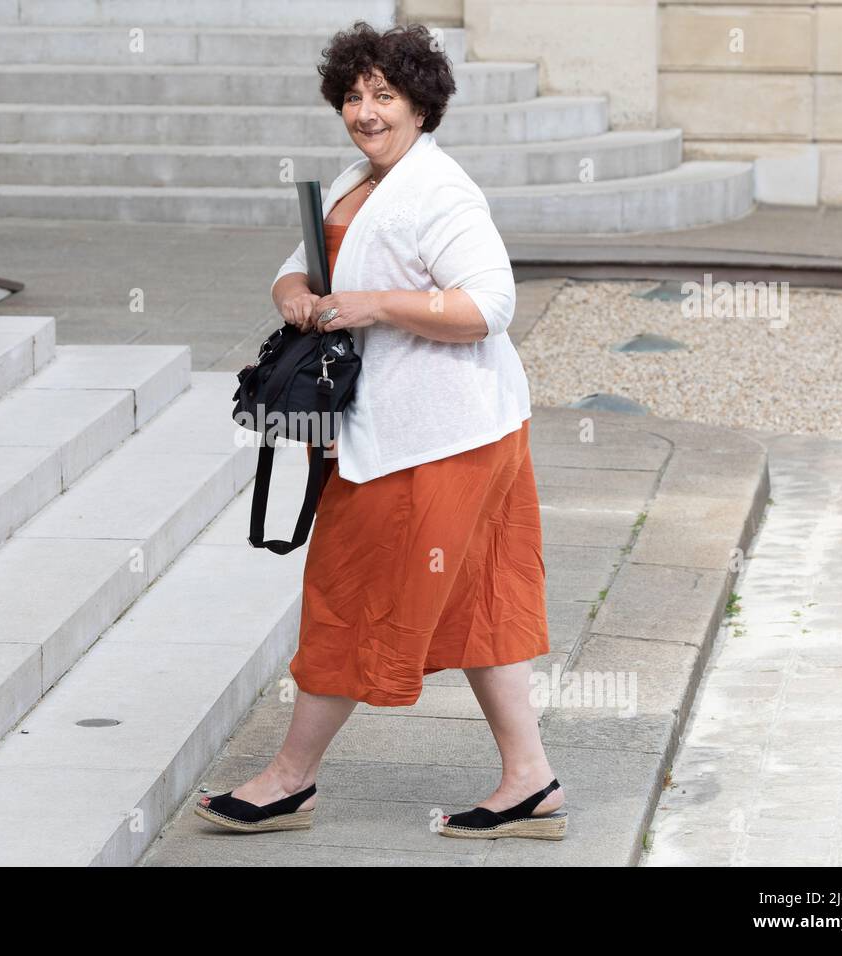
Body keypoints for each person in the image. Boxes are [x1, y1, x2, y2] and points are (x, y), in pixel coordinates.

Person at [195, 21, 566, 842]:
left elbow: (488, 306)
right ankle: (531, 781)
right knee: (479, 598)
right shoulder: (357, 180)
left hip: (437, 439)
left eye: (383, 96)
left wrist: (376, 306)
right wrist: (295, 292)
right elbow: (297, 266)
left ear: (420, 105)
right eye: (354, 96)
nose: (365, 111)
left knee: (347, 595)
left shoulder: (439, 192)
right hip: (453, 430)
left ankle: (289, 780)